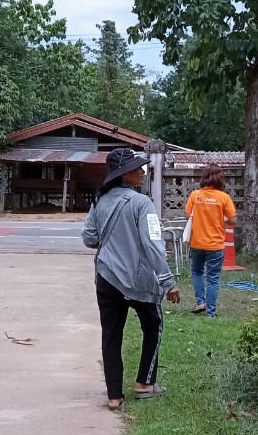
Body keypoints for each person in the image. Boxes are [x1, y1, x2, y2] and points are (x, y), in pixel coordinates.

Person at [82, 148, 180, 411]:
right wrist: (167, 281)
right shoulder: (142, 203)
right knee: (153, 325)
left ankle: (114, 397)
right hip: (138, 280)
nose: (142, 172)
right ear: (125, 174)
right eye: (138, 168)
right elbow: (153, 243)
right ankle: (145, 383)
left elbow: (89, 237)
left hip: (106, 277)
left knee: (111, 335)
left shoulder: (99, 200)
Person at [183, 163, 236, 317]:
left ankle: (201, 302)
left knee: (197, 272)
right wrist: (222, 218)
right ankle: (211, 313)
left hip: (197, 243)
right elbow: (233, 220)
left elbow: (187, 215)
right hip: (215, 245)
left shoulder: (195, 195)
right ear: (220, 178)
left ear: (204, 177)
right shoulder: (224, 197)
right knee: (213, 278)